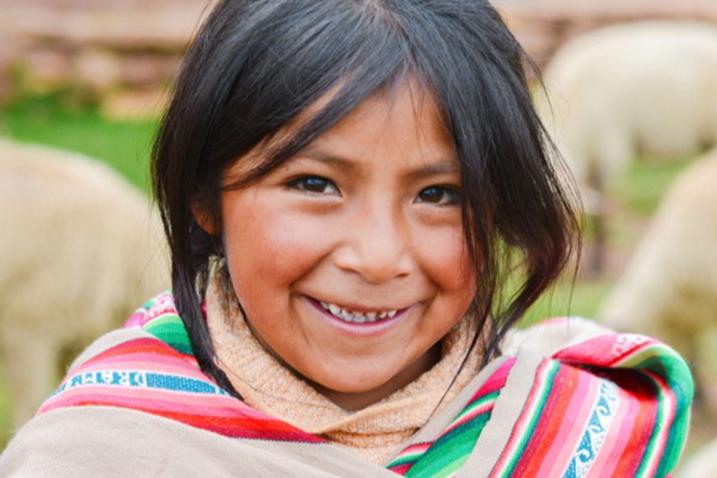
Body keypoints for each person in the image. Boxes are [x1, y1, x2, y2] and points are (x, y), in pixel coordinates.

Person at [0, 1, 692, 476]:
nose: (376, 256)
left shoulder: (574, 425)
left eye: (438, 195)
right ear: (204, 198)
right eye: (313, 184)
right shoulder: (99, 453)